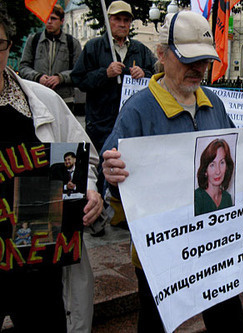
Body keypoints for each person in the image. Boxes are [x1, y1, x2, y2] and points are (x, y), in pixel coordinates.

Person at [100, 11, 243, 332]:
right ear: (161, 54)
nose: (199, 69)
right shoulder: (138, 110)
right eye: (189, 59)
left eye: (204, 60)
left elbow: (239, 161)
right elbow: (109, 180)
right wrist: (111, 177)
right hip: (160, 250)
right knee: (155, 322)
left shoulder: (214, 103)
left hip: (213, 244)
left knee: (227, 318)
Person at [0, 9, 102, 333]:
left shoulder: (43, 101)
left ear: (9, 46)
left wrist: (89, 188)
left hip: (39, 268)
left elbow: (87, 159)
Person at [71, 0, 156, 152]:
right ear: (108, 21)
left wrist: (145, 74)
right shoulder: (93, 47)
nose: (122, 24)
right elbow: (78, 79)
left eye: (126, 20)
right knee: (101, 167)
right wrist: (105, 74)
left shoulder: (140, 49)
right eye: (117, 19)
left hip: (132, 124)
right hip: (100, 126)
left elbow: (158, 76)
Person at [19, 4, 81, 111]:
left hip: (64, 100)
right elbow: (23, 67)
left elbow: (79, 71)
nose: (49, 22)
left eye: (53, 19)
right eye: (47, 18)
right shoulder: (34, 40)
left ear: (62, 21)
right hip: (38, 98)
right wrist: (38, 77)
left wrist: (60, 78)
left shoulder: (72, 43)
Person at [195, 138, 235, 216]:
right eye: (212, 165)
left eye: (222, 163)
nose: (218, 171)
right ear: (205, 170)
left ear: (227, 167)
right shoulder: (197, 198)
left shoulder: (227, 198)